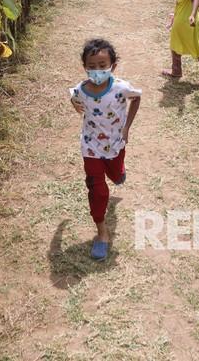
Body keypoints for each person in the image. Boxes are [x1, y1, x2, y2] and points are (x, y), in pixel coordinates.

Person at [69, 38, 141, 260]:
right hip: (90, 146)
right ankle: (102, 233)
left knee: (116, 174)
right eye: (92, 66)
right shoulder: (82, 89)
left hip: (115, 143)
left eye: (102, 66)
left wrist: (127, 127)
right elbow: (73, 95)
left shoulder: (120, 87)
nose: (97, 71)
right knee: (96, 188)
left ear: (113, 66)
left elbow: (137, 97)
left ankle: (118, 172)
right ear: (85, 67)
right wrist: (73, 103)